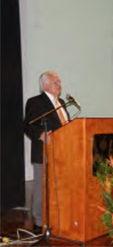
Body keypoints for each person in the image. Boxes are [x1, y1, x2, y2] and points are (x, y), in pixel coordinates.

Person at [24, 70, 70, 234]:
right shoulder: (35, 102)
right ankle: (38, 221)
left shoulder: (62, 102)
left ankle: (57, 216)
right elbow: (28, 125)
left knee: (60, 187)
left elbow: (68, 126)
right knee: (41, 187)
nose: (59, 85)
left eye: (59, 82)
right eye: (55, 82)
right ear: (45, 85)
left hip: (63, 152)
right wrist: (41, 135)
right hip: (43, 151)